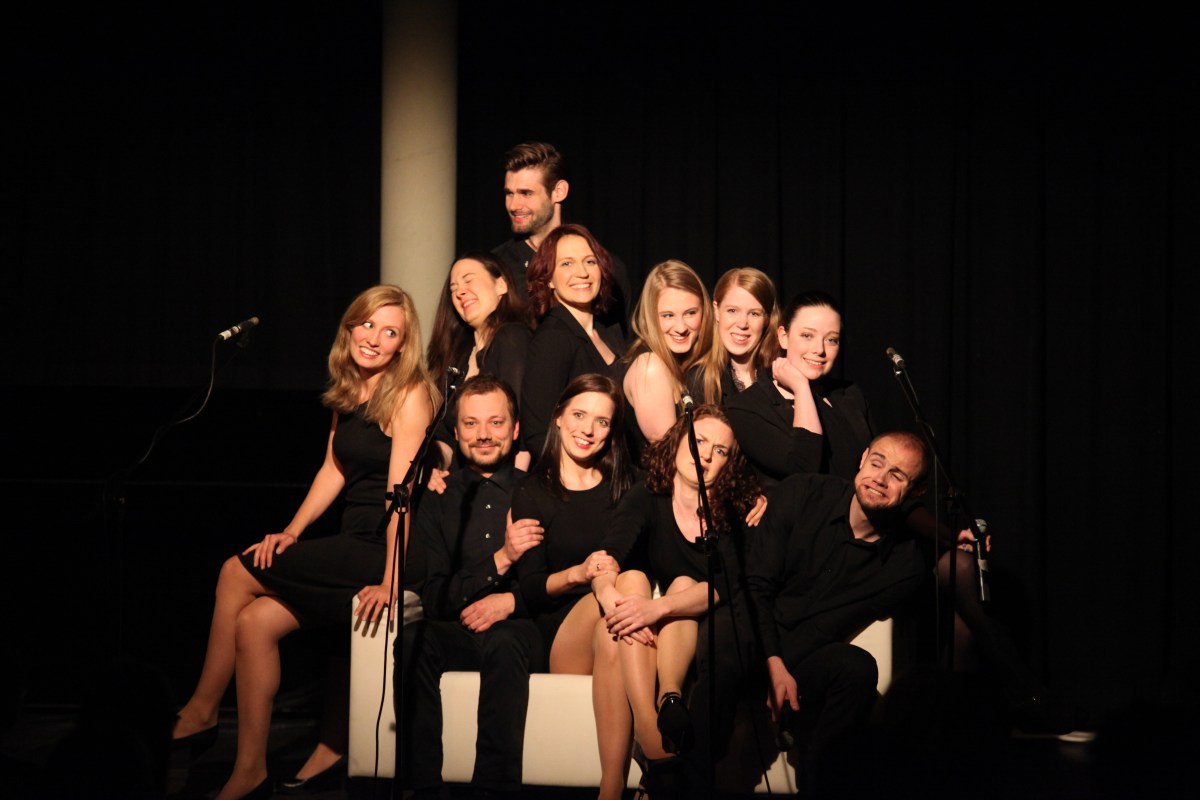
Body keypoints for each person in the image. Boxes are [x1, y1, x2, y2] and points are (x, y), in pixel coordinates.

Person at [726, 290, 1066, 731]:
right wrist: (802, 390)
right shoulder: (750, 406)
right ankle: (988, 706)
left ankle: (985, 708)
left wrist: (948, 534)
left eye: (832, 339)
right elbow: (804, 469)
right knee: (932, 587)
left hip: (883, 533)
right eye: (807, 336)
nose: (820, 349)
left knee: (961, 570)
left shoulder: (849, 396)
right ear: (783, 337)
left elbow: (890, 484)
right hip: (821, 549)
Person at [170, 285, 438, 800]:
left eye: (389, 332)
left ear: (403, 346)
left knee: (234, 571)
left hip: (386, 546)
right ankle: (250, 770)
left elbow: (401, 498)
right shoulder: (349, 392)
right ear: (350, 327)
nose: (373, 338)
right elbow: (332, 469)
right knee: (254, 623)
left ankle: (201, 710)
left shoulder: (409, 394)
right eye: (367, 324)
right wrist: (292, 532)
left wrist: (391, 578)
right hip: (352, 539)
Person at [746, 431, 930, 797]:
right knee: (723, 644)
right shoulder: (803, 493)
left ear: (915, 492)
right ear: (862, 459)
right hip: (749, 640)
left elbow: (825, 630)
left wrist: (784, 670)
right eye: (877, 463)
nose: (880, 478)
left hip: (803, 661)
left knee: (857, 667)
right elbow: (754, 588)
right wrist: (772, 664)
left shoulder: (905, 567)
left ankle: (822, 785)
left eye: (897, 475)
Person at [590, 405, 761, 800]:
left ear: (729, 464)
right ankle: (653, 736)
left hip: (679, 631)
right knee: (630, 581)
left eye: (720, 450)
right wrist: (610, 596)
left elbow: (725, 585)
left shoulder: (731, 514)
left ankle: (664, 708)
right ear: (678, 441)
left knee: (683, 585)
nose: (706, 455)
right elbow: (607, 555)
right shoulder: (647, 495)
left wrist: (657, 608)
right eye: (700, 441)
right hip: (627, 618)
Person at [398, 374, 544, 800]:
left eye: (496, 423)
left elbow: (554, 582)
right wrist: (501, 559)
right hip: (458, 628)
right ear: (457, 432)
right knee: (413, 639)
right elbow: (434, 597)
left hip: (521, 627)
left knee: (504, 641)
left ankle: (492, 792)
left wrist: (510, 600)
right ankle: (422, 788)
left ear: (515, 430)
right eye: (471, 423)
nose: (483, 435)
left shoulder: (539, 492)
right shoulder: (440, 497)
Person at [509, 373, 637, 799]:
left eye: (602, 421)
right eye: (579, 415)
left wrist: (752, 496)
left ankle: (610, 787)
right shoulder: (531, 491)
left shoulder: (627, 486)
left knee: (617, 616)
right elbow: (531, 587)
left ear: (612, 431)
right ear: (559, 417)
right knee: (624, 590)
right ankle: (657, 763)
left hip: (616, 621)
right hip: (562, 634)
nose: (588, 430)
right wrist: (580, 574)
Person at [492, 141, 633, 329]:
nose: (513, 205)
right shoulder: (496, 268)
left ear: (559, 192)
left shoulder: (605, 267)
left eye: (526, 193)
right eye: (509, 194)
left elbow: (622, 341)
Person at [519, 223, 626, 457]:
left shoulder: (608, 333)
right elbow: (538, 433)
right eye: (567, 263)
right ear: (548, 279)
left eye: (590, 261)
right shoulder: (553, 338)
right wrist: (579, 476)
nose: (582, 272)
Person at [425, 251, 536, 475]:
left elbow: (520, 423)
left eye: (468, 280)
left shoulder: (512, 337)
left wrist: (514, 487)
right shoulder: (459, 355)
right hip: (461, 483)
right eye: (454, 288)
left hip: (502, 482)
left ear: (501, 285)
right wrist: (433, 470)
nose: (460, 291)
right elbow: (446, 435)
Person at [619, 259, 713, 462]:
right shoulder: (650, 366)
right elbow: (670, 458)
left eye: (690, 313)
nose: (681, 327)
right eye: (668, 315)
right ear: (651, 317)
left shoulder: (689, 363)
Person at [690, 267, 780, 406]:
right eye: (732, 311)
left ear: (766, 318)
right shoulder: (700, 379)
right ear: (717, 311)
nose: (742, 324)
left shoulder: (779, 374)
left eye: (754, 314)